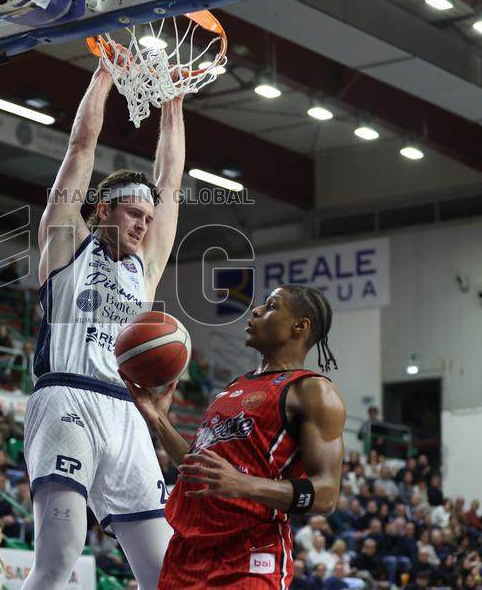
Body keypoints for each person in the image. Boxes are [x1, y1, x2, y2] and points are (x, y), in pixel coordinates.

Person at [21, 65, 185, 590]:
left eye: (147, 217)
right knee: (59, 557)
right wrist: (105, 74)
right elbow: (81, 147)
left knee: (165, 571)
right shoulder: (67, 242)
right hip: (66, 400)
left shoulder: (144, 268)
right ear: (101, 210)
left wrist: (174, 106)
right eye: (133, 214)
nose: (143, 224)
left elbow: (172, 183)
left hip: (126, 412)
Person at [127, 285, 347, 589]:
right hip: (187, 553)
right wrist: (158, 420)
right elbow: (199, 469)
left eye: (271, 306)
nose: (256, 311)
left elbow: (325, 495)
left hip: (250, 554)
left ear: (301, 325)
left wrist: (242, 484)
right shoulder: (233, 387)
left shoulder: (312, 391)